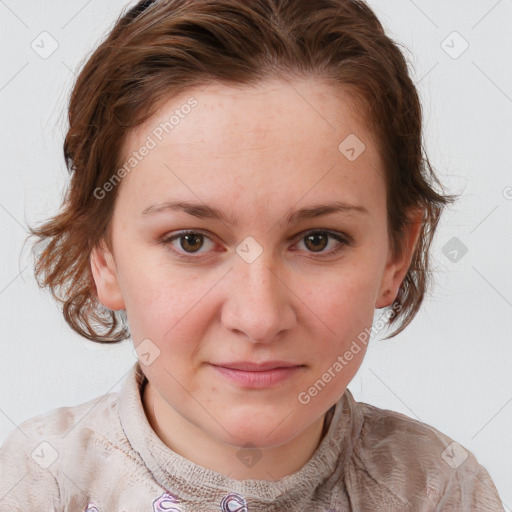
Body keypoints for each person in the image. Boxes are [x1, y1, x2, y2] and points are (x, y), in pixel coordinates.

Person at [0, 0, 505, 510]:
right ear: (103, 254)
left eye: (318, 240)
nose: (259, 319)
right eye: (191, 241)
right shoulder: (35, 484)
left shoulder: (440, 490)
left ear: (396, 254)